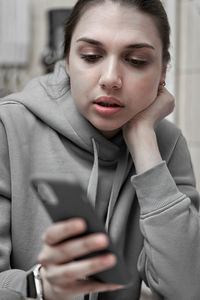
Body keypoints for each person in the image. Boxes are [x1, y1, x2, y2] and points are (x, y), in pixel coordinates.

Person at [0, 0, 199, 299]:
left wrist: (144, 141)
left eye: (136, 60)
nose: (110, 79)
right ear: (67, 60)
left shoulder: (166, 144)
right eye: (91, 56)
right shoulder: (8, 126)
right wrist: (37, 286)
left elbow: (187, 288)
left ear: (162, 72)